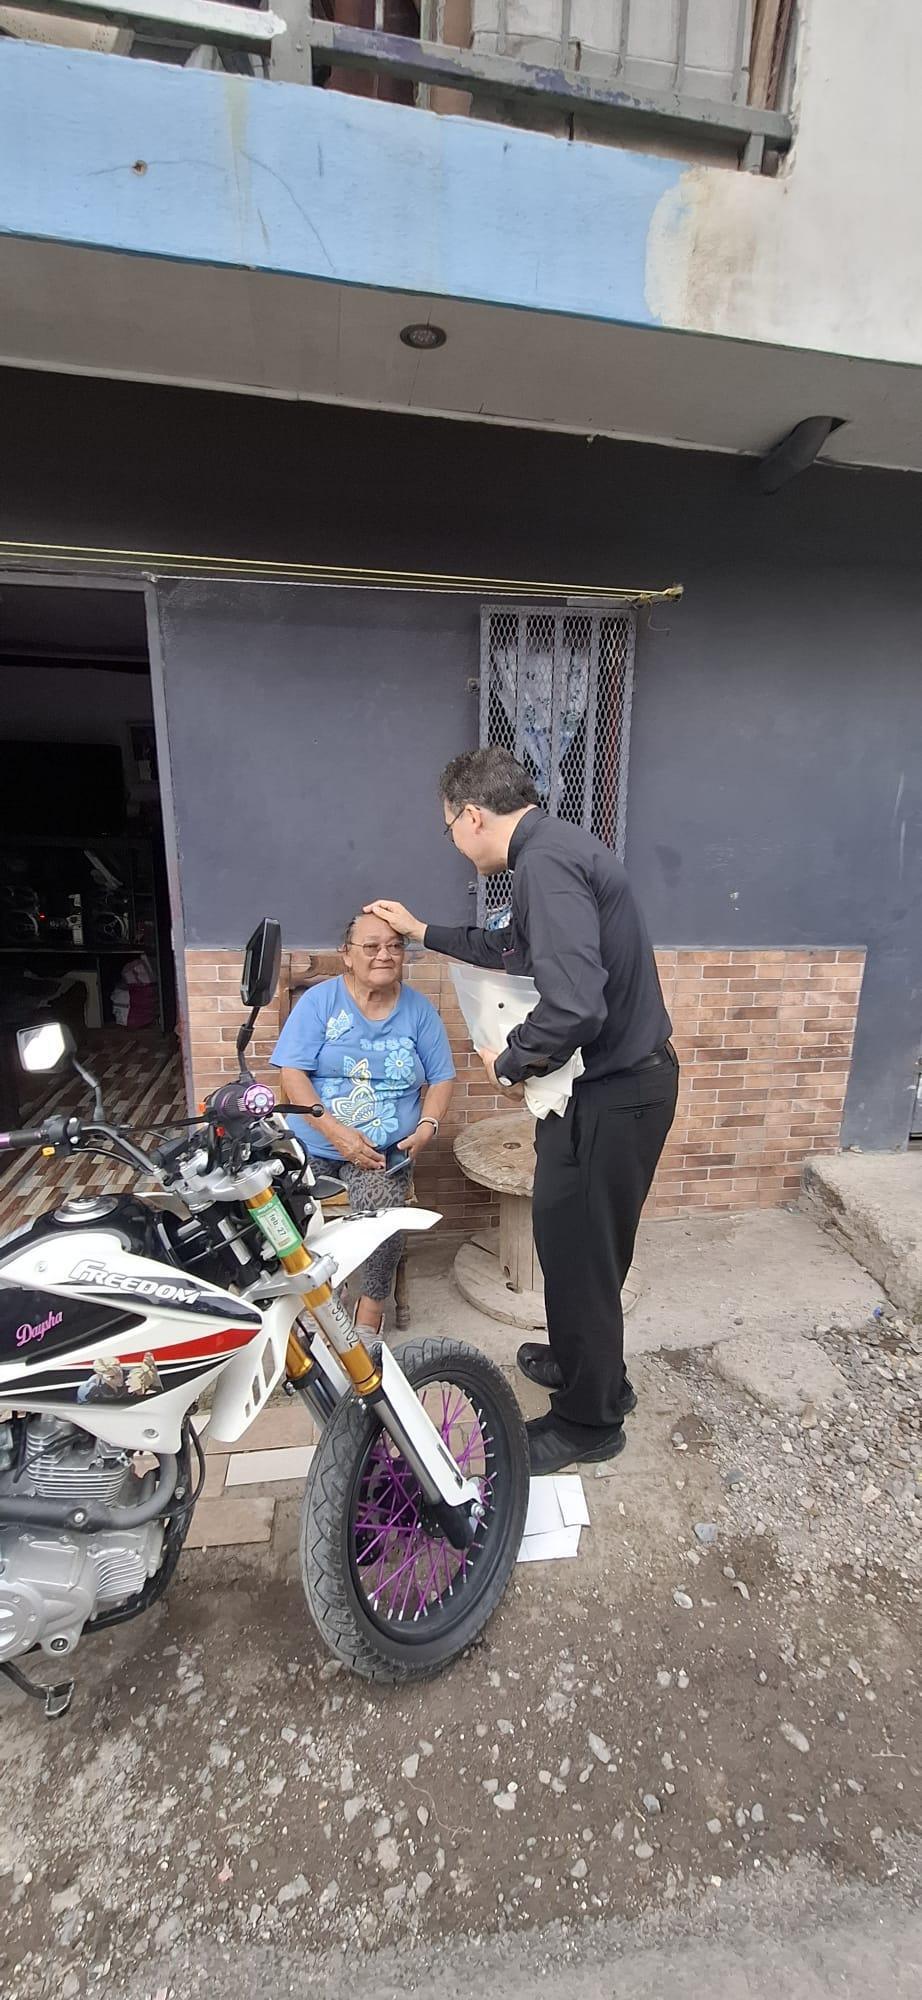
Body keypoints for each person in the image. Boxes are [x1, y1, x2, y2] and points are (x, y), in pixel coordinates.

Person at [367, 745, 678, 1475]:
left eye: (449, 827)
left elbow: (574, 1004)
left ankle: (589, 1421)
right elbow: (503, 947)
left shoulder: (545, 865)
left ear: (472, 815)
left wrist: (508, 1063)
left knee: (580, 1257)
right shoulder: (554, 852)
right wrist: (421, 931)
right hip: (608, 1090)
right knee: (573, 1245)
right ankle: (586, 1370)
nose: (453, 839)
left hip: (613, 1091)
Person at [271, 912, 455, 1334]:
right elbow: (292, 1073)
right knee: (283, 1208)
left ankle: (370, 1308)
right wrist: (333, 1131)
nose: (384, 955)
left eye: (394, 946)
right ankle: (313, 1296)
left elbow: (442, 1077)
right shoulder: (320, 1002)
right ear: (348, 955)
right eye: (371, 946)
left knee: (381, 1213)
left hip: (380, 1151)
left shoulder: (417, 1010)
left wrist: (427, 1125)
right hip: (315, 1143)